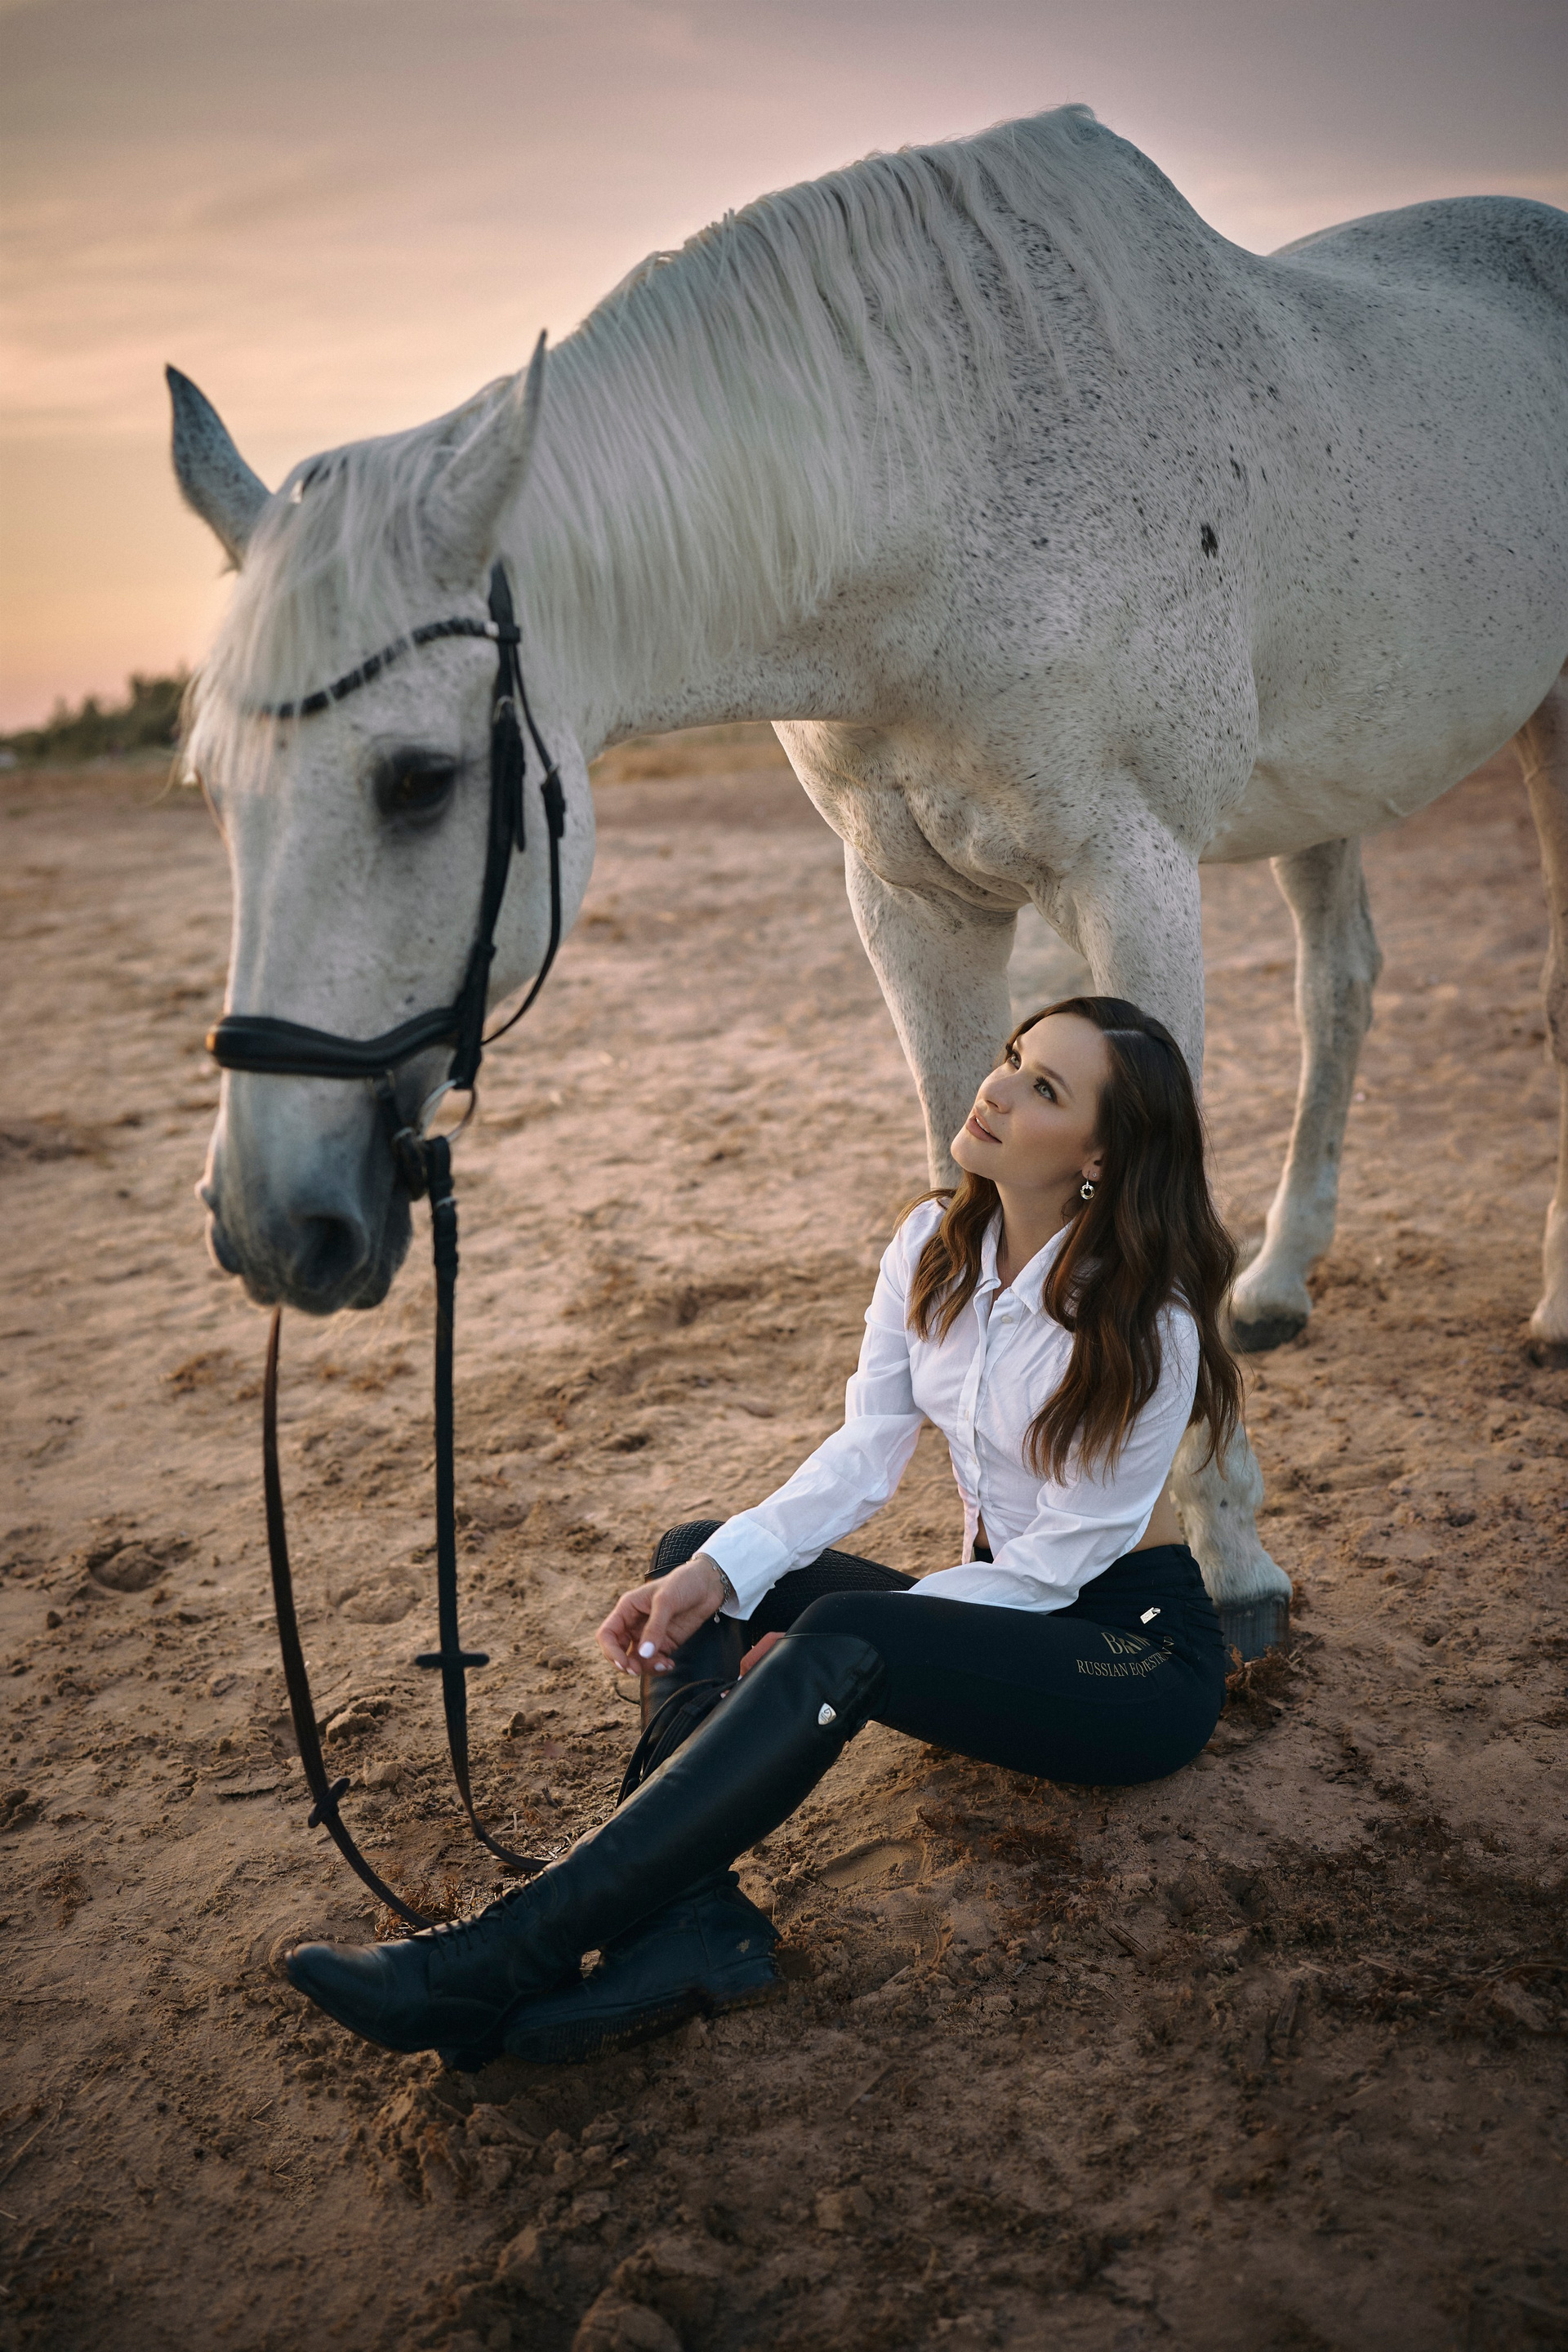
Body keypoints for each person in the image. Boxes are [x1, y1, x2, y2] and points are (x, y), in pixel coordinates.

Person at [285, 996, 1241, 2069]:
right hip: (1000, 1612)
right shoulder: (934, 1243)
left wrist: (847, 1641)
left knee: (841, 1630)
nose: (998, 1089)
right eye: (1013, 1057)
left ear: (1101, 1157)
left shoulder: (1146, 1321)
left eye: (1045, 1089)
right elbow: (863, 1454)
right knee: (699, 1563)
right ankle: (691, 1919)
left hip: (1130, 1661)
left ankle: (505, 1950)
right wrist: (720, 1568)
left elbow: (1062, 1564)